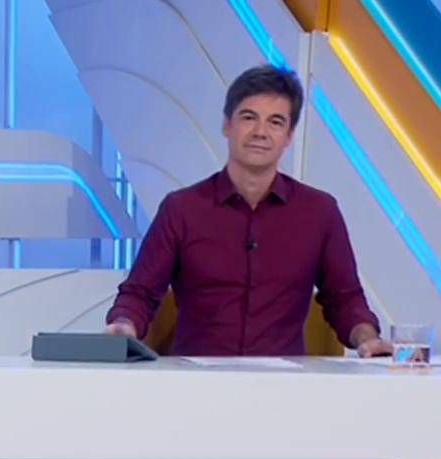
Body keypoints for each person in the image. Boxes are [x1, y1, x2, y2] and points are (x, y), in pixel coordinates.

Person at [105, 64, 392, 358]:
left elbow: (345, 299)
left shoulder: (320, 212)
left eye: (275, 122)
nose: (260, 132)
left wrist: (367, 338)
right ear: (227, 125)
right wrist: (124, 326)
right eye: (248, 117)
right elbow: (140, 293)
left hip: (286, 380)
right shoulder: (181, 209)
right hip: (196, 378)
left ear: (289, 136)